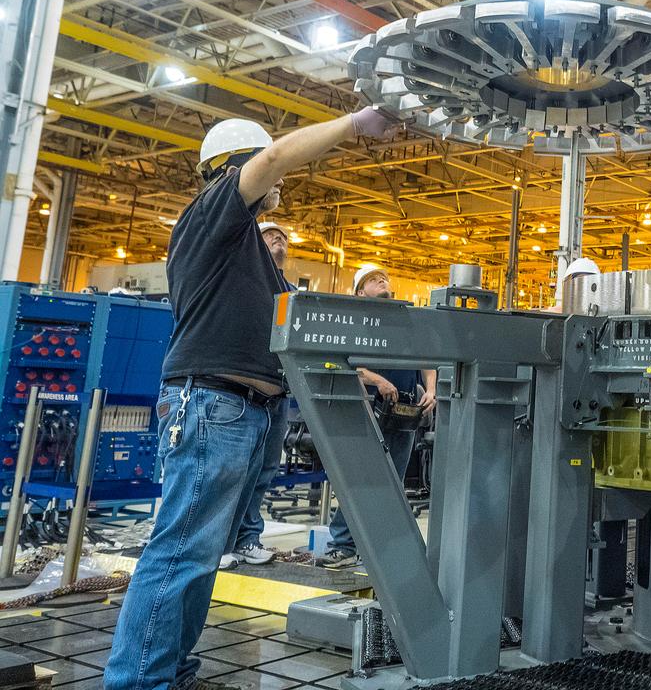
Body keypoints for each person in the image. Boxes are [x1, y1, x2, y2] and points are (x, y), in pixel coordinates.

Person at [104, 107, 396, 690]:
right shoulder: (212, 213)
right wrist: (355, 123)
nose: (277, 183)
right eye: (262, 170)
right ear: (232, 168)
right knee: (181, 551)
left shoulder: (255, 259)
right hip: (214, 405)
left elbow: (304, 328)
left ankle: (170, 672)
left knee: (202, 554)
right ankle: (137, 681)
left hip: (252, 412)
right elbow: (276, 156)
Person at [314, 264, 437, 570]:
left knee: (393, 483)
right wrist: (376, 379)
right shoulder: (354, 323)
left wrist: (432, 389)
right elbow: (342, 362)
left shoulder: (404, 322)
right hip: (369, 410)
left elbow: (426, 358)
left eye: (384, 278)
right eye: (373, 280)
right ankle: (343, 545)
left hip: (405, 413)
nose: (382, 281)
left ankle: (381, 551)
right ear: (360, 292)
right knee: (362, 480)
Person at [218, 221, 294, 570]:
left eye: (284, 237)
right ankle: (220, 542)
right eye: (270, 234)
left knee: (263, 471)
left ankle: (247, 538)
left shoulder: (291, 294)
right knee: (232, 471)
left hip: (277, 395)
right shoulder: (243, 279)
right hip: (242, 393)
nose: (279, 238)